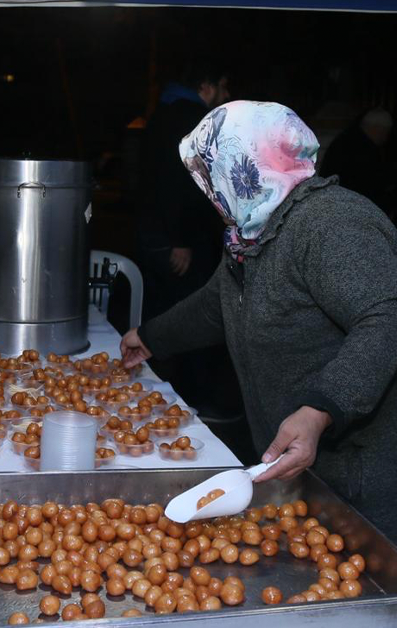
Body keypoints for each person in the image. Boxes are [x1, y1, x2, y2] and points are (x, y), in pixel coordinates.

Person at [121, 101, 397, 627]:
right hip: (332, 464)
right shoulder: (252, 234)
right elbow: (217, 306)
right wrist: (151, 336)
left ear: (249, 166)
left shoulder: (332, 222)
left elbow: (388, 319)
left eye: (213, 173)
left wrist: (321, 408)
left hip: (393, 466)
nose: (207, 191)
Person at [135, 58, 237, 417]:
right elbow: (178, 182)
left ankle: (169, 400)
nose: (226, 96)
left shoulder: (163, 112)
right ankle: (196, 403)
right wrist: (180, 239)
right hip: (176, 238)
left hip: (155, 234)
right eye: (223, 88)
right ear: (206, 87)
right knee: (194, 314)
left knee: (169, 310)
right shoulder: (190, 118)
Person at [319, 108, 396, 212]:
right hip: (350, 206)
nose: (385, 138)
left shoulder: (349, 140)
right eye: (384, 132)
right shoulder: (361, 148)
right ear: (376, 128)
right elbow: (367, 184)